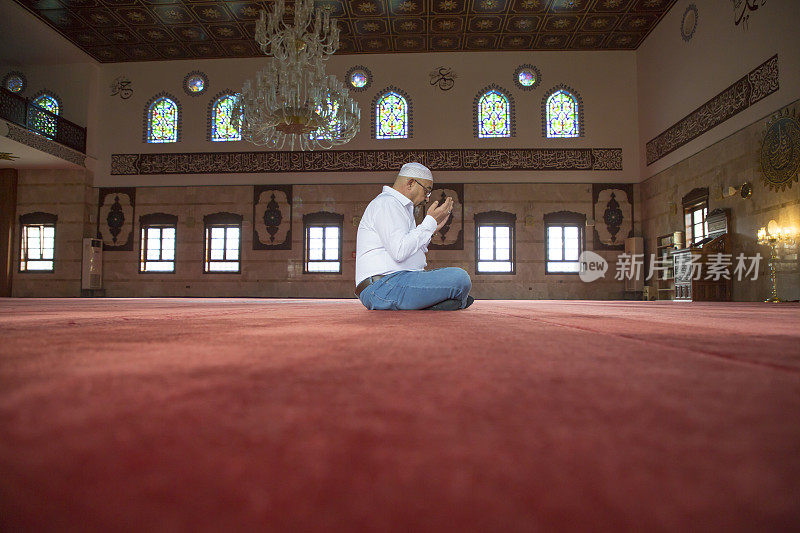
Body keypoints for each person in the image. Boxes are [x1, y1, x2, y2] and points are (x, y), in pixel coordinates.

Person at [355, 162, 474, 311]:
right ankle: (446, 303)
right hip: (383, 286)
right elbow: (400, 252)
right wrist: (429, 222)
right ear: (411, 183)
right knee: (459, 279)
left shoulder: (401, 207)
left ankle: (438, 304)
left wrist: (431, 229)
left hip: (395, 283)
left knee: (455, 279)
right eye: (427, 191)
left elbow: (410, 251)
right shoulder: (387, 203)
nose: (427, 198)